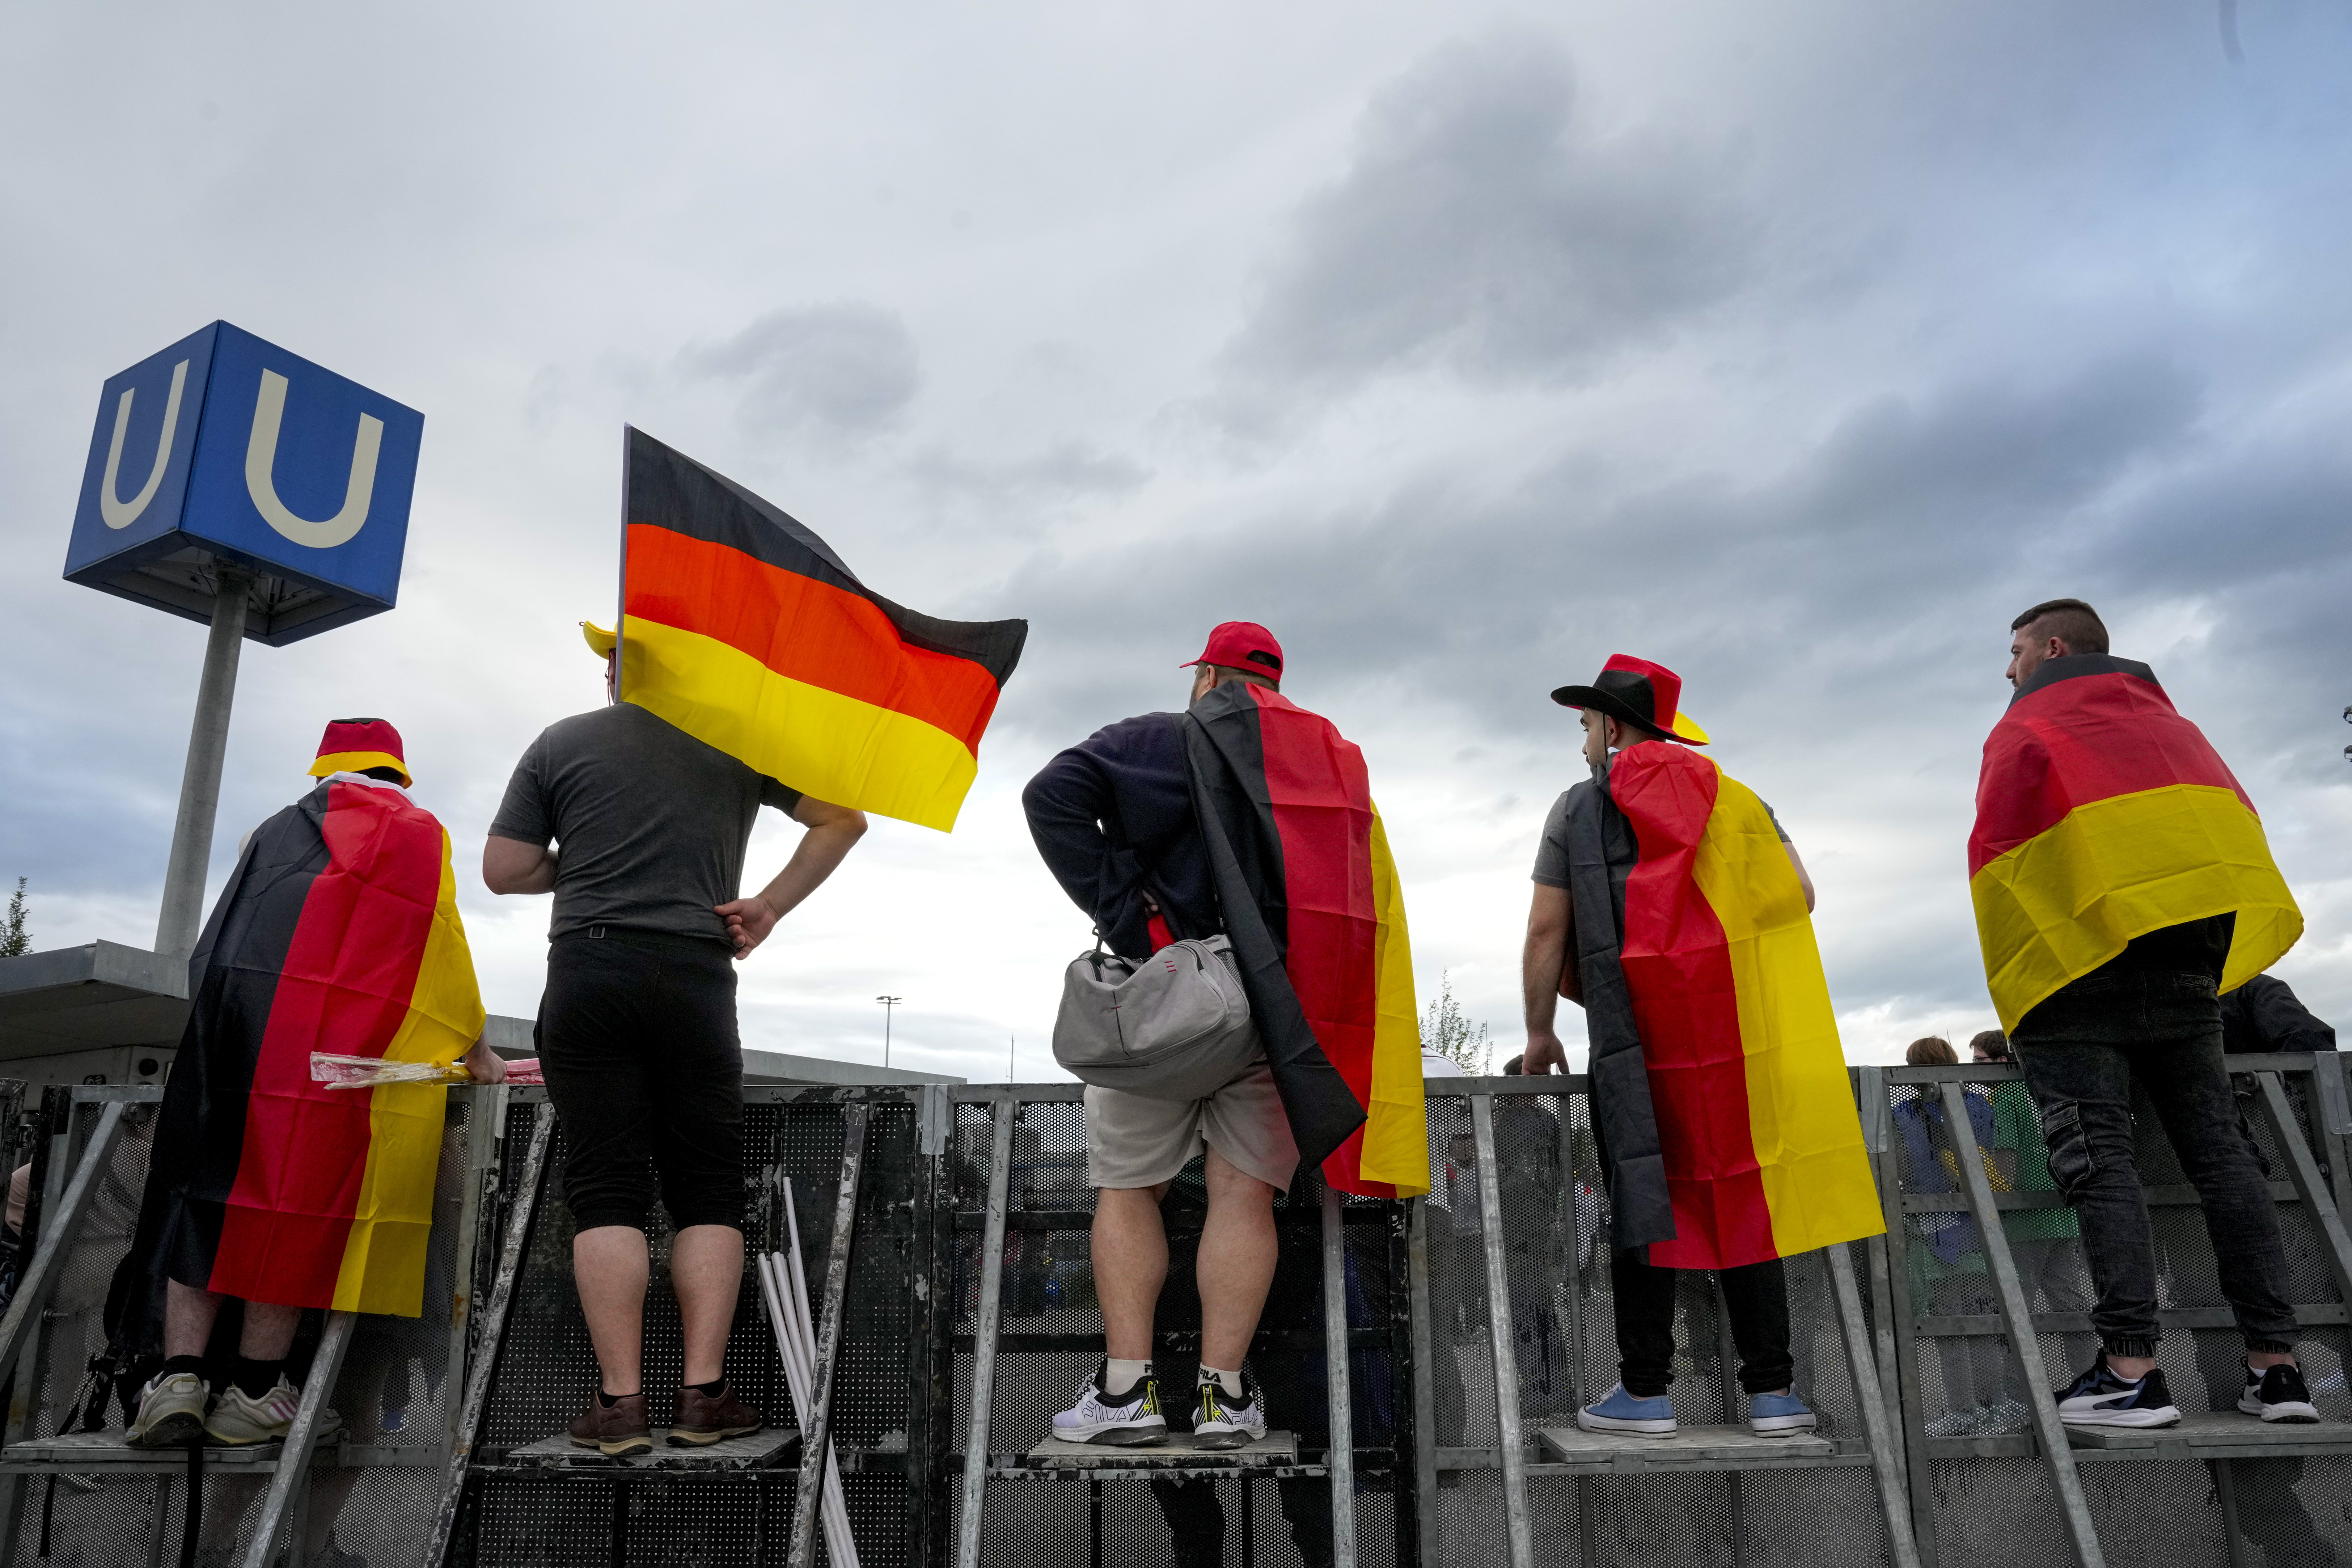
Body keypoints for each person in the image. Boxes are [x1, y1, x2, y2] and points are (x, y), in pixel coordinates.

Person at [1022, 621, 1427, 1455]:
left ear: (1208, 677)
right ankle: (1224, 1396)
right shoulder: (1324, 761)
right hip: (1271, 1011)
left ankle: (1128, 1391)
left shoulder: (1159, 738)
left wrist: (1128, 913)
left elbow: (1048, 796)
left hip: (1163, 1000)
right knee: (1245, 1196)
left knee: (1131, 1188)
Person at [485, 624, 867, 1456]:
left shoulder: (559, 743)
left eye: (610, 657)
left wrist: (583, 862)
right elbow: (844, 818)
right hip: (695, 977)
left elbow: (504, 869)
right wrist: (767, 904)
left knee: (606, 1189)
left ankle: (619, 1407)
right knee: (706, 1187)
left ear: (622, 670)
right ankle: (703, 1398)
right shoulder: (736, 741)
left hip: (587, 970)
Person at [1972, 598, 2314, 1426]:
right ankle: (2277, 1369)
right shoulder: (2175, 729)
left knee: (2102, 1165)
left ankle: (2128, 1369)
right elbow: (2226, 837)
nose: (2006, 668)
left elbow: (2004, 863)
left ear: (2053, 649)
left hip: (2080, 977)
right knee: (2225, 1162)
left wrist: (2024, 988)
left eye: (2014, 651)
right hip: (2188, 973)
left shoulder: (2025, 727)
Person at [1522, 655, 1882, 1440]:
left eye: (1586, 724)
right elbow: (1800, 895)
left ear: (1613, 726)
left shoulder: (1577, 809)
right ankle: (1774, 1394)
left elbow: (1548, 929)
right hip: (1733, 1038)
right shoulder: (1740, 800)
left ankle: (1646, 1392)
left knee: (1644, 1193)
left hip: (1634, 1037)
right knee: (1743, 1190)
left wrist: (1539, 1028)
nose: (1583, 740)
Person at [125, 720, 495, 1450]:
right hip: (334, 1063)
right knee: (293, 1208)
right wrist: (475, 1045)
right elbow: (438, 946)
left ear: (326, 769)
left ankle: (178, 1377)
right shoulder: (419, 833)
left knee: (209, 1193)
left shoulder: (268, 832)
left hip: (234, 1041)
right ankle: (258, 1391)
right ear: (395, 773)